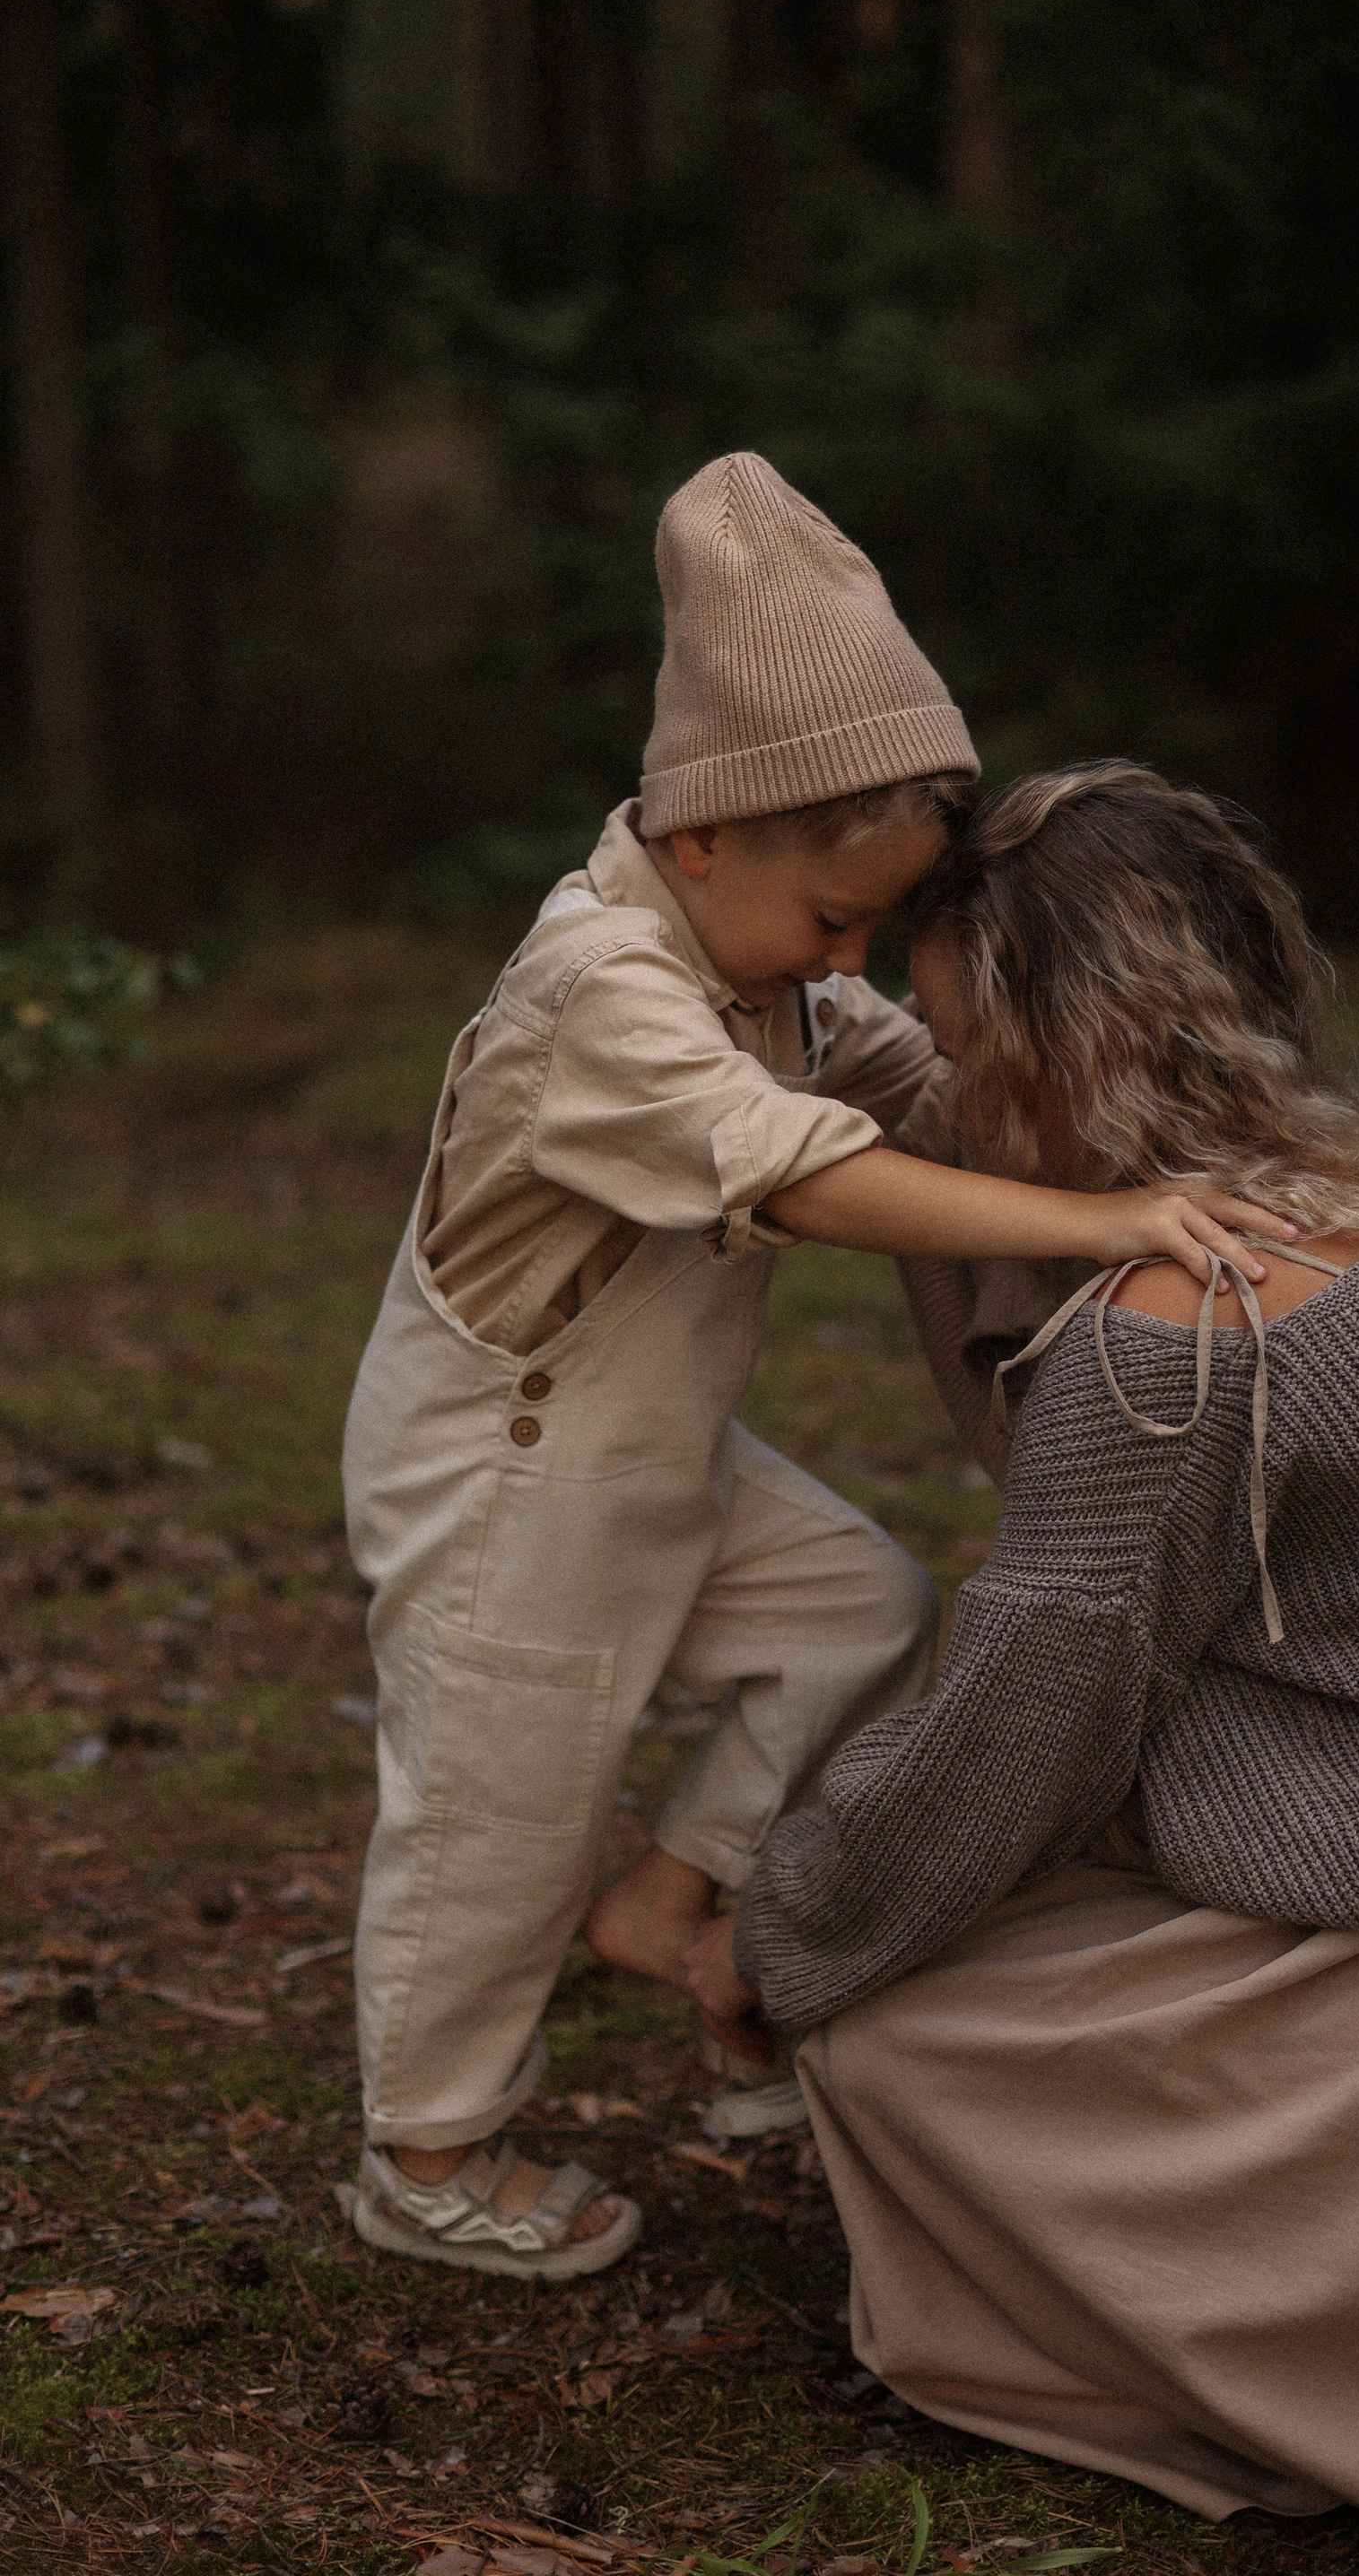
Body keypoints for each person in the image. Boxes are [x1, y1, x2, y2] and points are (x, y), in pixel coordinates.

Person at [688, 761, 1359, 2569]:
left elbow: (1019, 1731)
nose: (954, 1103)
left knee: (904, 2031)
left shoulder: (1174, 1341)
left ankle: (1339, 2354)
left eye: (967, 1054)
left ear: (1064, 1053)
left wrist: (778, 1940)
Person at [341, 479, 1281, 2283]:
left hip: (654, 1446)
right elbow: (805, 1172)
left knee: (863, 1609)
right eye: (837, 919)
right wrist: (1097, 1228)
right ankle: (427, 2147)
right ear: (703, 838)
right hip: (502, 1470)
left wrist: (1137, 1144)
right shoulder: (600, 988)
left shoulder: (775, 975)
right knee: (497, 1806)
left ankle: (669, 1894)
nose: (849, 960)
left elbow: (919, 1092)